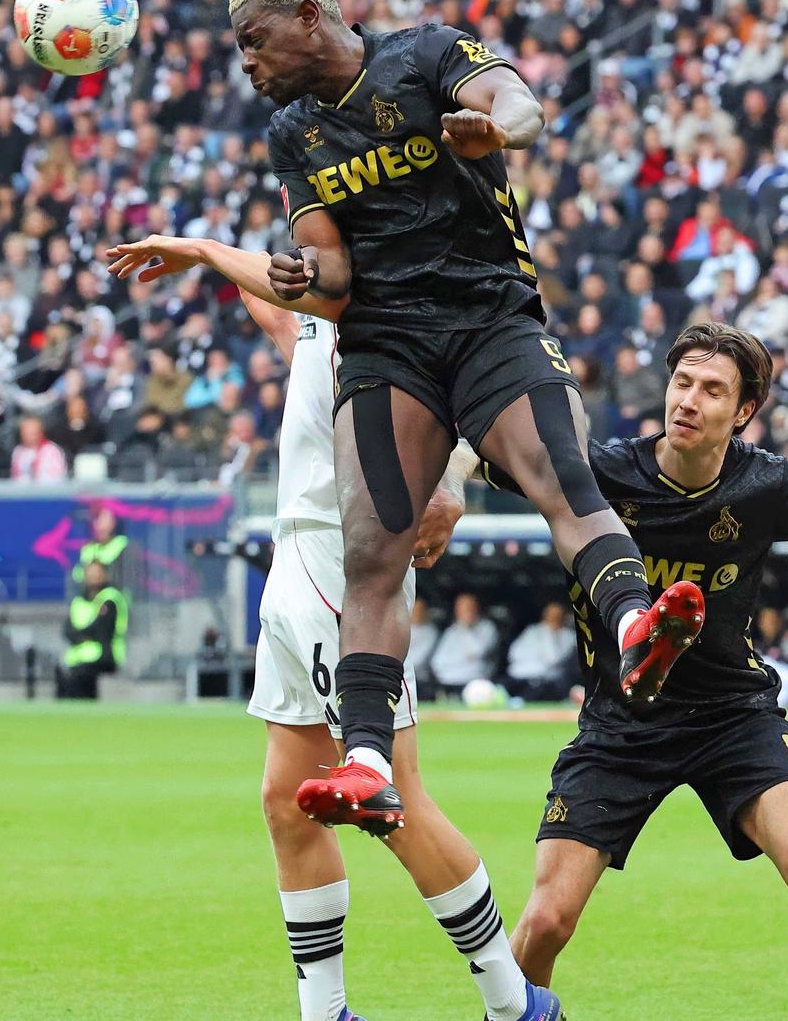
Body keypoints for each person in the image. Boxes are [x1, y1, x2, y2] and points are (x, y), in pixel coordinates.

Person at [104, 0, 701, 895]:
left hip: (493, 319)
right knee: (371, 548)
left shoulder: (424, 54)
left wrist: (489, 127)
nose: (246, 65)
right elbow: (332, 279)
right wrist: (301, 277)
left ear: (309, 15)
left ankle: (634, 628)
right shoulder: (293, 133)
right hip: (388, 349)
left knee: (561, 476)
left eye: (254, 41)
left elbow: (524, 105)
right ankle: (370, 765)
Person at [496, 324, 788, 1021]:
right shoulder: (599, 473)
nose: (688, 400)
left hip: (734, 716)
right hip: (621, 724)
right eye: (682, 382)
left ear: (743, 411)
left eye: (711, 389)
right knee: (546, 924)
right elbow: (483, 450)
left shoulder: (768, 483)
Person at [231, 280, 535, 1021]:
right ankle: (326, 1012)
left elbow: (478, 391)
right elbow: (276, 310)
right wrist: (209, 255)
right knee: (285, 801)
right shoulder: (314, 304)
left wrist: (453, 475)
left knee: (393, 798)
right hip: (293, 553)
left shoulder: (400, 296)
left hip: (346, 556)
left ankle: (514, 1001)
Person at [59, 560, 125, 699]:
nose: (93, 576)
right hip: (77, 658)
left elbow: (102, 629)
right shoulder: (78, 600)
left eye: (97, 573)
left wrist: (80, 634)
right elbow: (68, 629)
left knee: (81, 677)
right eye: (90, 573)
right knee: (62, 675)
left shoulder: (110, 598)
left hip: (104, 656)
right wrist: (81, 635)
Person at [429, 593, 500, 698]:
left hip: (475, 684)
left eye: (468, 608)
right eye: (460, 608)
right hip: (447, 682)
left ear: (476, 608)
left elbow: (477, 652)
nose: (464, 612)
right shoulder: (452, 630)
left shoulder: (487, 627)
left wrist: (466, 629)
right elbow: (437, 661)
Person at [504, 602, 577, 702]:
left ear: (562, 617)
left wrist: (550, 633)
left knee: (539, 687)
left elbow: (553, 659)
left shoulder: (569, 636)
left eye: (556, 616)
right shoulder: (532, 630)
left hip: (546, 680)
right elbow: (513, 653)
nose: (552, 618)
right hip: (520, 676)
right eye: (550, 615)